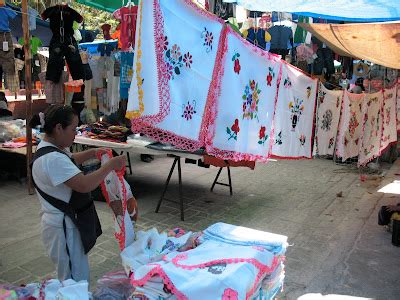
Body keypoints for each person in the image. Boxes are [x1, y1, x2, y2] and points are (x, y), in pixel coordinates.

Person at [29, 105, 126, 282]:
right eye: (73, 129)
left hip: (61, 224)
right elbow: (84, 184)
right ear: (59, 128)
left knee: (74, 274)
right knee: (74, 279)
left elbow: (71, 159)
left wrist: (94, 153)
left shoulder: (51, 149)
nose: (75, 134)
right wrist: (110, 165)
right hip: (62, 226)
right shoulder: (53, 159)